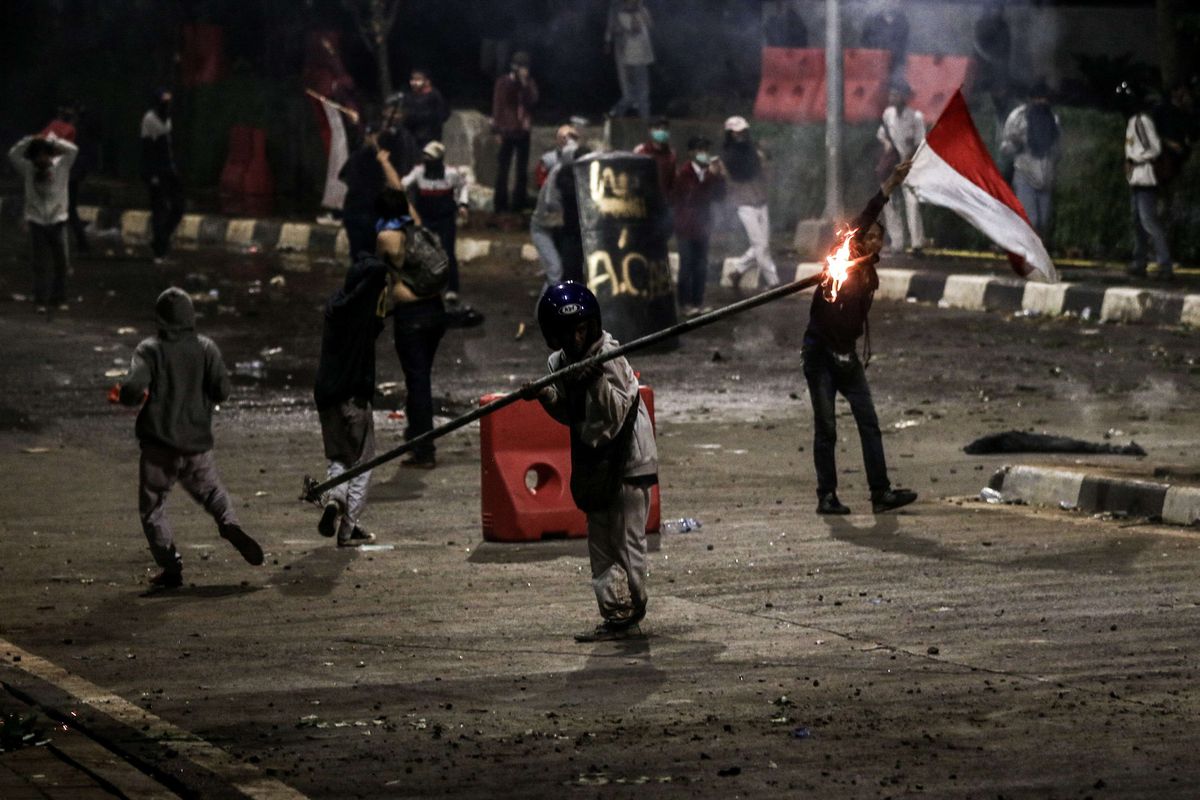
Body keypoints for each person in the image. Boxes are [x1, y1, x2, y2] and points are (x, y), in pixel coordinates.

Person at [526, 282, 658, 642]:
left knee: (627, 543)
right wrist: (545, 396)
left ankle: (635, 604)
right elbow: (570, 414)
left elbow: (617, 414)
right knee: (600, 545)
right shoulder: (559, 363)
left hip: (628, 460)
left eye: (582, 329)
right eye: (569, 332)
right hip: (596, 461)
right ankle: (616, 614)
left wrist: (595, 380)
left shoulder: (610, 357)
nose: (577, 337)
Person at [114, 288, 264, 589]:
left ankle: (172, 567)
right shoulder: (205, 348)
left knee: (153, 508)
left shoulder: (149, 350)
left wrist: (129, 392)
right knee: (212, 492)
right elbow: (222, 389)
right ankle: (229, 523)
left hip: (159, 445)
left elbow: (131, 391)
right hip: (196, 442)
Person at [803, 161, 918, 516]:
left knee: (869, 423)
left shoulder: (869, 277)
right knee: (827, 428)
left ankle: (880, 493)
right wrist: (890, 184)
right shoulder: (841, 263)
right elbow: (866, 215)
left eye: (876, 239)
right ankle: (827, 495)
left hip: (847, 357)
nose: (871, 242)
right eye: (866, 237)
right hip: (820, 354)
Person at [314, 257, 388, 548]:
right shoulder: (364, 317)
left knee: (339, 457)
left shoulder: (336, 306)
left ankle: (334, 499)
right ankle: (347, 528)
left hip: (326, 395)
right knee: (362, 462)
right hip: (353, 398)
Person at [377, 189, 447, 468]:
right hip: (435, 311)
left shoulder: (386, 237)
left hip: (411, 316)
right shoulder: (415, 228)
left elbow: (376, 271)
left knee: (417, 382)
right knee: (420, 379)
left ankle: (424, 448)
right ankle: (415, 436)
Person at [7, 133, 78, 313]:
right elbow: (13, 154)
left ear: (50, 155)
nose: (41, 159)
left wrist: (52, 141)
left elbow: (73, 150)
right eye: (37, 155)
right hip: (37, 220)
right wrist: (30, 139)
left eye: (44, 154)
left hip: (57, 219)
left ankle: (59, 298)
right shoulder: (29, 169)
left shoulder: (61, 167)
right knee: (39, 263)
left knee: (60, 263)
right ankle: (40, 299)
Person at [402, 141, 470, 302]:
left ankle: (452, 288)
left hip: (445, 218)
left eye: (431, 156)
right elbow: (404, 183)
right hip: (425, 216)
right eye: (425, 156)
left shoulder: (451, 174)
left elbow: (463, 186)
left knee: (447, 252)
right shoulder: (418, 172)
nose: (427, 159)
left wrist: (463, 204)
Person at [722, 116, 780, 291]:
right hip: (745, 204)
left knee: (762, 244)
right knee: (760, 245)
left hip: (760, 201)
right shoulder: (728, 156)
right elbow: (737, 175)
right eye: (736, 133)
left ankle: (737, 270)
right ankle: (774, 282)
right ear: (730, 134)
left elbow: (764, 173)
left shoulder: (752, 151)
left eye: (742, 132)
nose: (740, 136)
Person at [671, 136, 726, 317]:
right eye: (700, 149)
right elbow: (691, 197)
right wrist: (707, 179)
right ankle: (685, 304)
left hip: (703, 227)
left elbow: (719, 197)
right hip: (685, 227)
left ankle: (698, 302)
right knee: (686, 266)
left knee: (701, 266)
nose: (703, 153)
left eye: (705, 149)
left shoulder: (709, 174)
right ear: (691, 153)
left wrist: (719, 177)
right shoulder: (684, 173)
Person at [1000, 81, 1060, 242]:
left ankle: (1038, 256)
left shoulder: (1053, 119)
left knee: (1043, 222)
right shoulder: (1018, 117)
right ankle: (1027, 255)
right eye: (1038, 98)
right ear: (1031, 99)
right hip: (1024, 173)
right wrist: (1018, 144)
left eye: (1045, 99)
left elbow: (1057, 149)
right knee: (1030, 220)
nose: (1042, 102)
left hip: (1046, 176)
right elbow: (1005, 147)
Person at [338, 123, 407, 259]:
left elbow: (343, 177)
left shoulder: (359, 155)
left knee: (359, 255)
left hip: (356, 212)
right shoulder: (380, 159)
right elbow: (397, 186)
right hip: (368, 212)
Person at [1125, 99, 1172, 279]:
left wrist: (1136, 159)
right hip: (1137, 177)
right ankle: (1140, 262)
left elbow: (1154, 148)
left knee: (1149, 222)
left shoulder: (1140, 121)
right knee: (1139, 223)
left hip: (1144, 176)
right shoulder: (1136, 120)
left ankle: (1164, 264)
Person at [876, 82, 925, 253]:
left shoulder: (916, 117)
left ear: (905, 97)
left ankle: (917, 243)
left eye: (896, 94)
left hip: (909, 166)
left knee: (912, 203)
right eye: (892, 94)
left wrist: (905, 160)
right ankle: (897, 242)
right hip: (892, 166)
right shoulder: (888, 115)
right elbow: (882, 134)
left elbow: (919, 143)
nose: (892, 98)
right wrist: (888, 145)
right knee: (889, 202)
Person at [531, 128, 581, 296]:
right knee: (555, 271)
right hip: (543, 227)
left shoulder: (574, 172)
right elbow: (551, 205)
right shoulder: (558, 173)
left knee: (563, 273)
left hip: (557, 227)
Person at [491, 51, 539, 213]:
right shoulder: (503, 82)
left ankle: (519, 203)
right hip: (507, 130)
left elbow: (532, 101)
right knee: (503, 168)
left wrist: (525, 84)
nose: (524, 71)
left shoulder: (529, 83)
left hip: (523, 131)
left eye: (526, 67)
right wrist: (496, 130)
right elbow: (498, 105)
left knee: (521, 169)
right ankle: (500, 204)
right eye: (521, 67)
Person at [141, 89, 184, 264]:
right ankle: (160, 250)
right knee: (159, 210)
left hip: (169, 170)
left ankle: (161, 239)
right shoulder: (150, 119)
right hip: (157, 172)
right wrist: (152, 175)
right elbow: (149, 150)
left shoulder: (166, 118)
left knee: (178, 206)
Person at [41, 104, 90, 254]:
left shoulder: (62, 129)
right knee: (68, 209)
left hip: (63, 174)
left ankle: (55, 243)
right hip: (69, 174)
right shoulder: (75, 131)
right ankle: (80, 244)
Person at [605, 0, 655, 120]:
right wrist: (608, 40)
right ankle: (615, 114)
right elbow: (632, 28)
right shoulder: (619, 13)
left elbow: (650, 25)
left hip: (641, 57)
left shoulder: (642, 11)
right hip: (626, 57)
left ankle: (645, 122)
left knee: (643, 94)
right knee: (629, 96)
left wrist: (642, 10)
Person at [552, 138, 590, 283]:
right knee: (571, 268)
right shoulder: (567, 175)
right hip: (572, 230)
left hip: (583, 231)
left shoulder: (584, 176)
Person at [861, 1, 909, 83]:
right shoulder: (872, 21)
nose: (890, 3)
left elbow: (906, 45)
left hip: (897, 68)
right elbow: (864, 43)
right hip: (874, 68)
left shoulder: (903, 21)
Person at [401, 68, 451, 148]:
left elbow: (443, 113)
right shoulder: (408, 96)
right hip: (412, 135)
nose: (414, 83)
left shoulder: (434, 95)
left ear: (427, 81)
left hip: (430, 136)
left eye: (418, 79)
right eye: (413, 79)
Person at [633, 116, 676, 199]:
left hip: (664, 202)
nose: (661, 131)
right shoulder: (640, 152)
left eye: (665, 129)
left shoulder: (671, 154)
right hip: (644, 200)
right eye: (657, 128)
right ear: (650, 130)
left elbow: (672, 182)